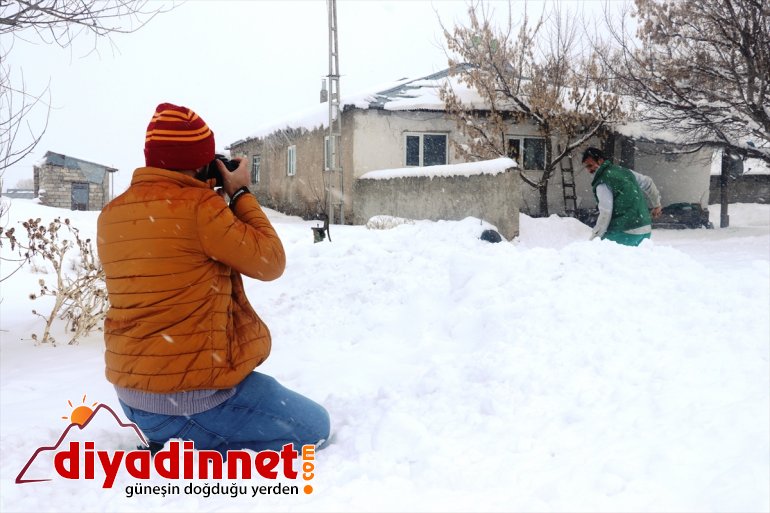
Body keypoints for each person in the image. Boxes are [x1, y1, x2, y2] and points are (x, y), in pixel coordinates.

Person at [96, 102, 330, 455]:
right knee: (314, 427)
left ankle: (177, 436)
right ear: (201, 162)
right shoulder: (200, 209)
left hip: (134, 400)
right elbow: (270, 262)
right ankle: (197, 447)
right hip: (193, 401)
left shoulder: (113, 213)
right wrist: (239, 194)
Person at [581, 147, 663, 246]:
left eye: (590, 165)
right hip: (645, 230)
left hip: (625, 232)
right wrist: (657, 205)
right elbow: (648, 182)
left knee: (599, 253)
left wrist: (594, 239)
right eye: (587, 167)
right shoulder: (625, 172)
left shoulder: (603, 182)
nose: (589, 170)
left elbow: (606, 212)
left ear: (600, 160)